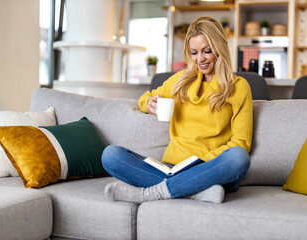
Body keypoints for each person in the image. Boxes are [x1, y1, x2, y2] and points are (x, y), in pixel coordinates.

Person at [101, 16, 253, 204]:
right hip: (170, 167)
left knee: (239, 158)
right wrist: (148, 102)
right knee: (111, 155)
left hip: (209, 169)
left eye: (207, 51)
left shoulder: (238, 87)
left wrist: (199, 163)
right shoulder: (180, 80)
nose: (200, 59)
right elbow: (146, 97)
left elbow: (241, 142)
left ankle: (152, 193)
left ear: (219, 49)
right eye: (194, 52)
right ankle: (193, 191)